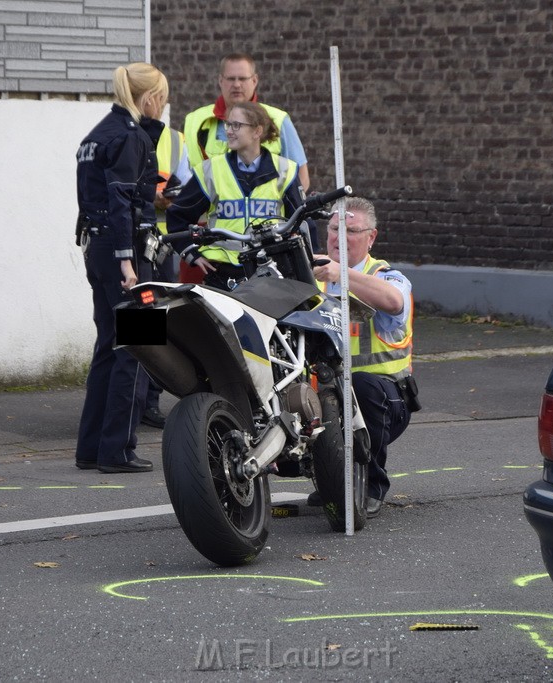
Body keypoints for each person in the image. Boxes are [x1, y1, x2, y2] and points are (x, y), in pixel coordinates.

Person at [74, 62, 168, 474]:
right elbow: (121, 202)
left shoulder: (97, 135)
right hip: (125, 252)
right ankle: (118, 450)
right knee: (139, 348)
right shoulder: (130, 138)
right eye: (162, 99)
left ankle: (92, 447)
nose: (163, 108)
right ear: (149, 98)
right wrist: (129, 263)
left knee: (108, 348)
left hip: (98, 248)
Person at [311, 197, 416, 518]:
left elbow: (394, 301)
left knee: (361, 383)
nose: (339, 237)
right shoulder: (310, 275)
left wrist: (342, 274)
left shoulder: (386, 275)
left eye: (351, 231)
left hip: (385, 401)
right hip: (322, 398)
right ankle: (331, 482)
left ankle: (372, 484)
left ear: (371, 237)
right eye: (333, 228)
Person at [166, 100, 308, 290]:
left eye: (236, 125)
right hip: (223, 274)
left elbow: (300, 221)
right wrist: (191, 254)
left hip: (272, 272)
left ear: (257, 131)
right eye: (228, 124)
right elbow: (177, 216)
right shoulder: (211, 170)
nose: (229, 131)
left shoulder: (286, 170)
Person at [177, 52, 310, 192]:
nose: (236, 84)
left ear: (254, 81)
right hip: (210, 213)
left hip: (269, 212)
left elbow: (301, 177)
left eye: (242, 78)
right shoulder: (194, 121)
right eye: (230, 79)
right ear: (220, 81)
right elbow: (183, 174)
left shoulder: (278, 119)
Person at [140, 121, 185, 430]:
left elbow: (191, 191)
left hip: (165, 246)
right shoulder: (125, 134)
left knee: (163, 323)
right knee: (140, 321)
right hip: (137, 243)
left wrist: (174, 198)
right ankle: (136, 400)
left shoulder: (175, 140)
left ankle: (149, 399)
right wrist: (149, 196)